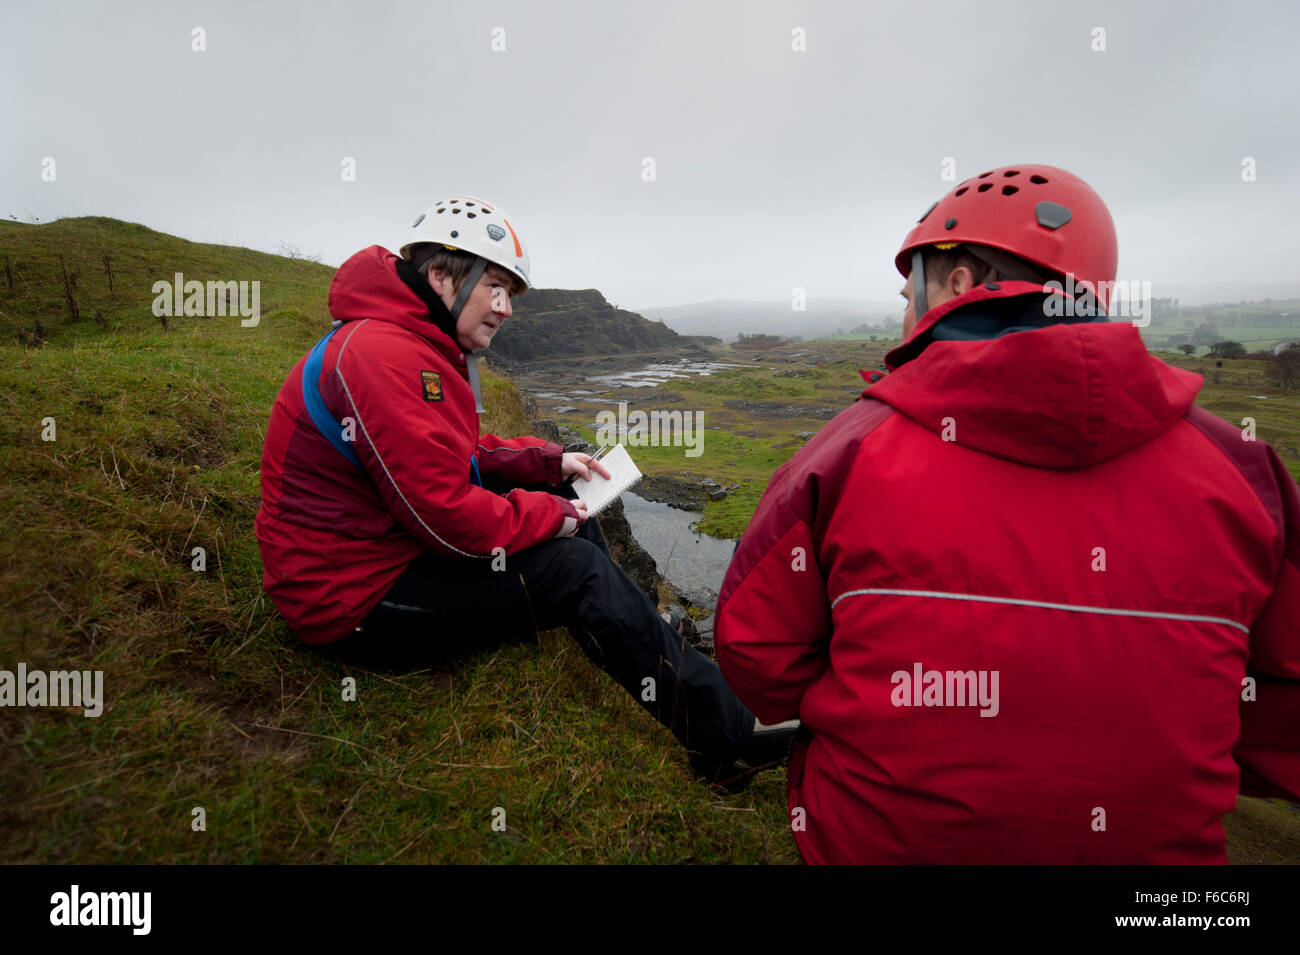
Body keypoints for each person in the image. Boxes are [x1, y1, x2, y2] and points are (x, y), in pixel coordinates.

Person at [714, 164, 1300, 863]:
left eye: (910, 293)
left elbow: (755, 654)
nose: (902, 315)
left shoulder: (850, 451)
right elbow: (1280, 710)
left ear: (957, 283)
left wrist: (872, 705)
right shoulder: (1242, 469)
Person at [254, 195, 796, 791]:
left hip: (382, 555)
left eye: (511, 292)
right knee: (576, 569)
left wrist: (549, 464)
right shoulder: (380, 355)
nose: (506, 308)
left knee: (574, 517)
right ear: (441, 276)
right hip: (348, 599)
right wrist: (551, 513)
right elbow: (444, 519)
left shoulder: (409, 342)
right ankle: (726, 741)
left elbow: (456, 454)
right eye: (496, 287)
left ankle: (642, 636)